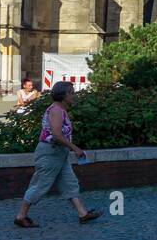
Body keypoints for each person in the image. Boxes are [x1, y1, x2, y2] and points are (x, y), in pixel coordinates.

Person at [13, 82, 100, 228]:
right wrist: (75, 148)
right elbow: (57, 135)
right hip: (50, 152)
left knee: (69, 182)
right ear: (63, 95)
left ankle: (82, 214)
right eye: (71, 93)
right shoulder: (56, 111)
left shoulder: (60, 109)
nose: (73, 95)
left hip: (59, 153)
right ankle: (21, 216)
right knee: (41, 184)